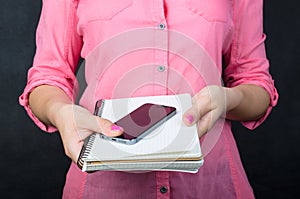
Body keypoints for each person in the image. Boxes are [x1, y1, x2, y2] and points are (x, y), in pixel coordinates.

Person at [19, 0, 278, 198]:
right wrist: (60, 112)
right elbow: (49, 75)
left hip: (212, 183)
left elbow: (256, 84)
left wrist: (227, 99)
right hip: (102, 186)